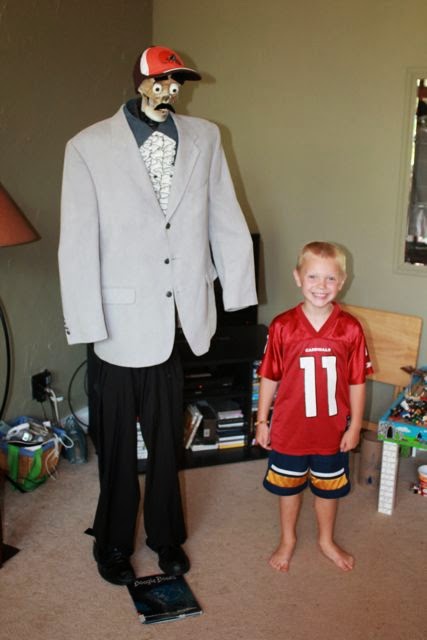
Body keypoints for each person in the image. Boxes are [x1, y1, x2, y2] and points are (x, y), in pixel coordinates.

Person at [58, 45, 257, 585]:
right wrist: (86, 323)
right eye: (161, 80)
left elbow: (225, 215)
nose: (170, 90)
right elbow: (77, 243)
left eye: (176, 82)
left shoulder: (206, 137)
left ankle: (167, 536)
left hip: (176, 320)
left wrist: (238, 296)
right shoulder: (88, 147)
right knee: (117, 445)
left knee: (168, 441)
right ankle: (112, 541)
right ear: (141, 83)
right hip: (117, 325)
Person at [255, 241, 372, 573]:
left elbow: (357, 382)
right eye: (313, 277)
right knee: (288, 488)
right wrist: (261, 421)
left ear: (343, 280)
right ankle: (288, 538)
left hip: (331, 431)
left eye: (330, 278)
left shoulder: (350, 328)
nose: (322, 286)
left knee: (328, 489)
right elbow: (269, 376)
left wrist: (355, 425)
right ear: (297, 277)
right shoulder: (282, 326)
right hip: (289, 429)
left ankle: (325, 540)